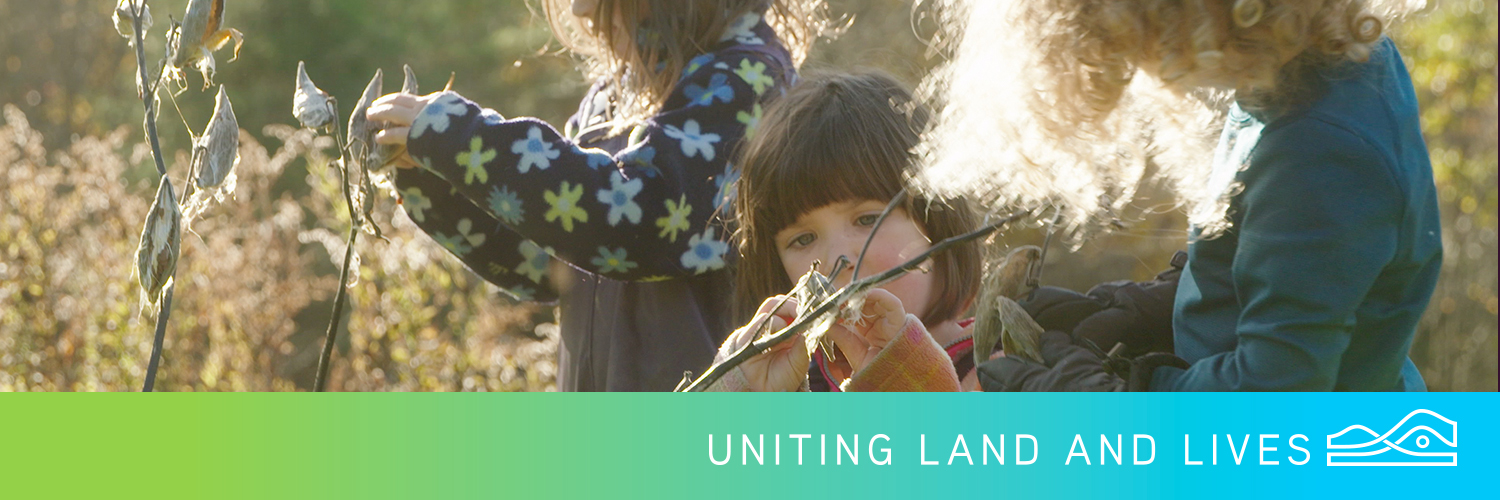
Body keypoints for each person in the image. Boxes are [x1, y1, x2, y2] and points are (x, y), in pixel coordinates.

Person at [972, 0, 1441, 391]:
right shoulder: (1315, 67)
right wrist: (1146, 307)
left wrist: (1101, 396)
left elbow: (1272, 400)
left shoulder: (1317, 146)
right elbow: (1302, 274)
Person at [366, 0, 829, 391]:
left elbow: (637, 219)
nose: (580, 8)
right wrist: (434, 177)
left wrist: (467, 141)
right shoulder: (614, 97)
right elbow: (546, 263)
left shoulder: (746, 81)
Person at [703, 71, 985, 392]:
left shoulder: (1009, 373)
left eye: (867, 220)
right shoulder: (796, 386)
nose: (838, 258)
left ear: (937, 220)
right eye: (803, 239)